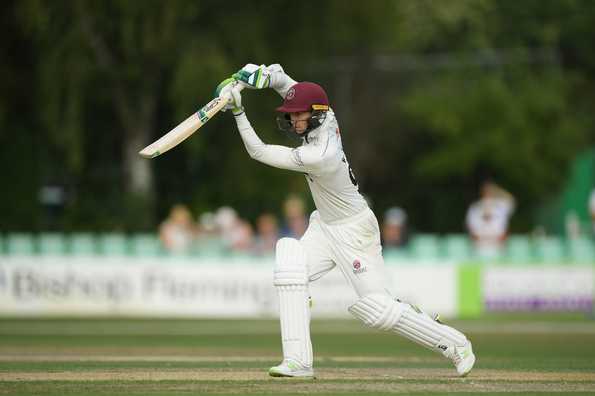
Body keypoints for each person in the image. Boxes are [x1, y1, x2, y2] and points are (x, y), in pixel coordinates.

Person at [215, 64, 475, 378]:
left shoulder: (319, 155)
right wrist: (261, 77)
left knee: (377, 309)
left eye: (299, 115)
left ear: (316, 114)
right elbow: (286, 82)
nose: (294, 119)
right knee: (290, 268)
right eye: (291, 114)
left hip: (355, 230)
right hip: (323, 225)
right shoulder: (327, 116)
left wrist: (238, 112)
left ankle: (455, 343)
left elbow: (258, 152)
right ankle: (298, 361)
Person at [466, 181, 515, 259]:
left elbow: (511, 200)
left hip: (498, 248)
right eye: (486, 191)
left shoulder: (501, 207)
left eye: (491, 191)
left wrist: (497, 190)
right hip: (479, 248)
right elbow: (471, 228)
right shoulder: (475, 207)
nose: (488, 193)